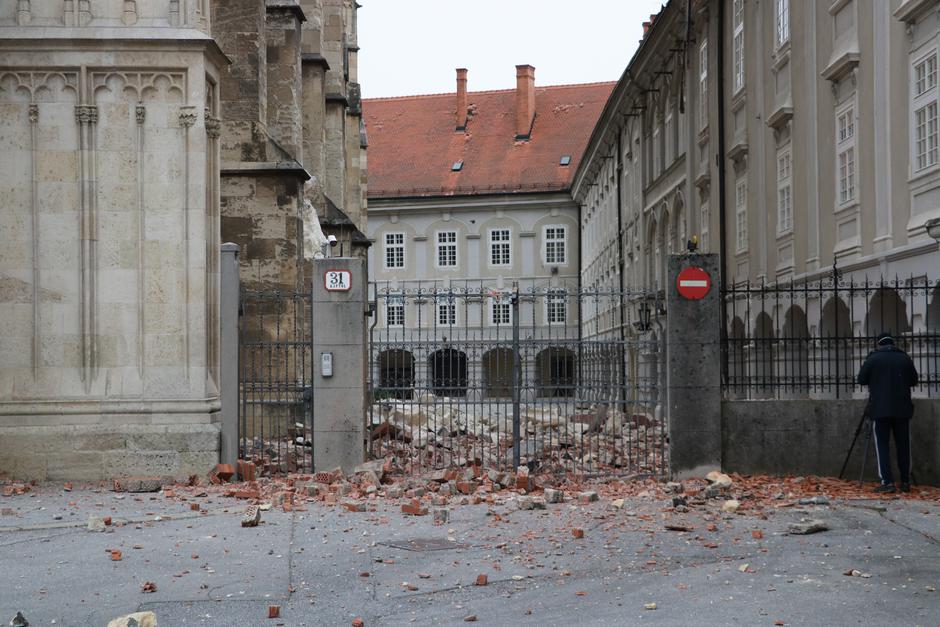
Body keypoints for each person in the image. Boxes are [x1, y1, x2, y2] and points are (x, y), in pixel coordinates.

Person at [856, 332, 919, 493]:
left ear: (879, 344)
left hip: (880, 408)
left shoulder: (873, 358)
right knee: (904, 445)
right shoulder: (904, 358)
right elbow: (914, 380)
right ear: (893, 343)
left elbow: (861, 379)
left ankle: (887, 481)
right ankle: (905, 480)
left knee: (882, 445)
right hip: (902, 408)